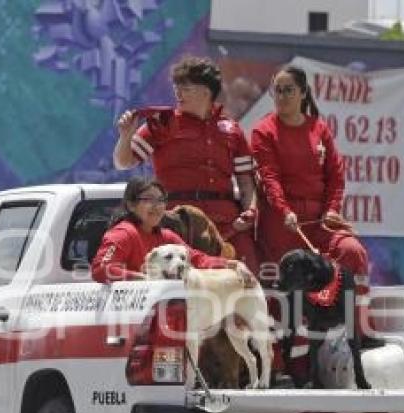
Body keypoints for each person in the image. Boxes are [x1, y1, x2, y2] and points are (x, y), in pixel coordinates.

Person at [250, 65, 370, 332]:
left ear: (303, 93)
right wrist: (284, 212)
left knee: (352, 251)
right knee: (292, 273)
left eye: (288, 90)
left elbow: (336, 176)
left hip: (320, 222)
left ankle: (359, 330)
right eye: (277, 91)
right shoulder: (263, 131)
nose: (281, 96)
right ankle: (291, 351)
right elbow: (269, 178)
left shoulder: (320, 129)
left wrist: (332, 211)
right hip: (283, 224)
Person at [113, 55, 260, 273]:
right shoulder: (163, 123)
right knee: (183, 291)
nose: (178, 93)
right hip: (180, 225)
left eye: (186, 88)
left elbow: (247, 184)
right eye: (176, 87)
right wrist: (126, 136)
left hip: (228, 226)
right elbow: (123, 162)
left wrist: (249, 212)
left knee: (246, 280)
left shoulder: (232, 130)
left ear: (206, 91)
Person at [91, 177, 232, 282]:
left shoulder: (167, 236)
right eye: (149, 199)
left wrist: (229, 265)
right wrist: (145, 279)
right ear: (131, 205)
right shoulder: (124, 234)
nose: (157, 206)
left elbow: (197, 259)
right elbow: (100, 270)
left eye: (161, 200)